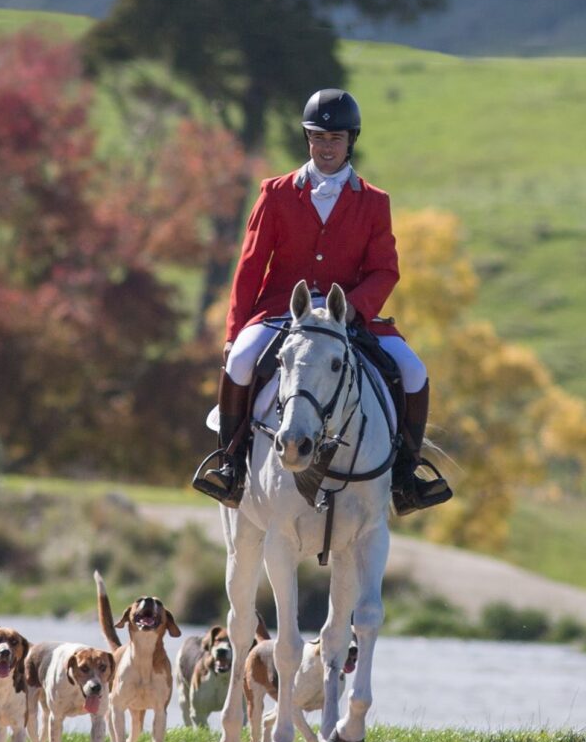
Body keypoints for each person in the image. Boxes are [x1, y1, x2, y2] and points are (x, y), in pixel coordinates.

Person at [193, 88, 452, 516]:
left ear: (351, 140)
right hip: (281, 312)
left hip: (347, 318)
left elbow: (385, 270)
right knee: (239, 361)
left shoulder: (374, 202)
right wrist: (233, 332)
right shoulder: (274, 193)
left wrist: (354, 306)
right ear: (307, 139)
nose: (325, 147)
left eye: (335, 139)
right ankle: (231, 466)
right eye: (317, 137)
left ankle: (406, 477)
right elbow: (249, 267)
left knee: (413, 370)